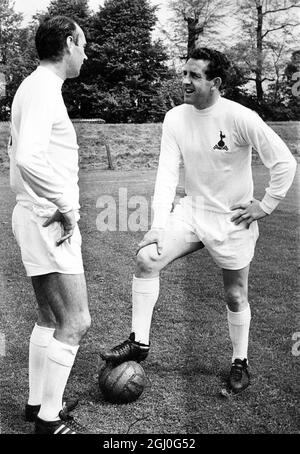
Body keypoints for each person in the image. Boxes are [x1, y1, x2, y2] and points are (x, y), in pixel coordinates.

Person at [100, 47, 297, 394]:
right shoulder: (175, 117)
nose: (185, 81)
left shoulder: (240, 117)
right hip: (192, 212)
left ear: (215, 82)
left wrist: (265, 206)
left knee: (235, 295)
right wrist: (159, 224)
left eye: (194, 75)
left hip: (232, 219)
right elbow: (165, 174)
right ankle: (139, 342)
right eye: (184, 73)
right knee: (147, 258)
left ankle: (240, 361)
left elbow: (284, 162)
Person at [9, 16, 91, 434]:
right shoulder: (42, 88)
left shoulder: (33, 86)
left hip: (32, 214)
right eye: (82, 44)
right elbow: (27, 159)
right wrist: (65, 206)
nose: (85, 53)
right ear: (68, 42)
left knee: (47, 316)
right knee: (76, 321)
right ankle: (49, 421)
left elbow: (18, 164)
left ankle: (36, 404)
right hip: (49, 218)